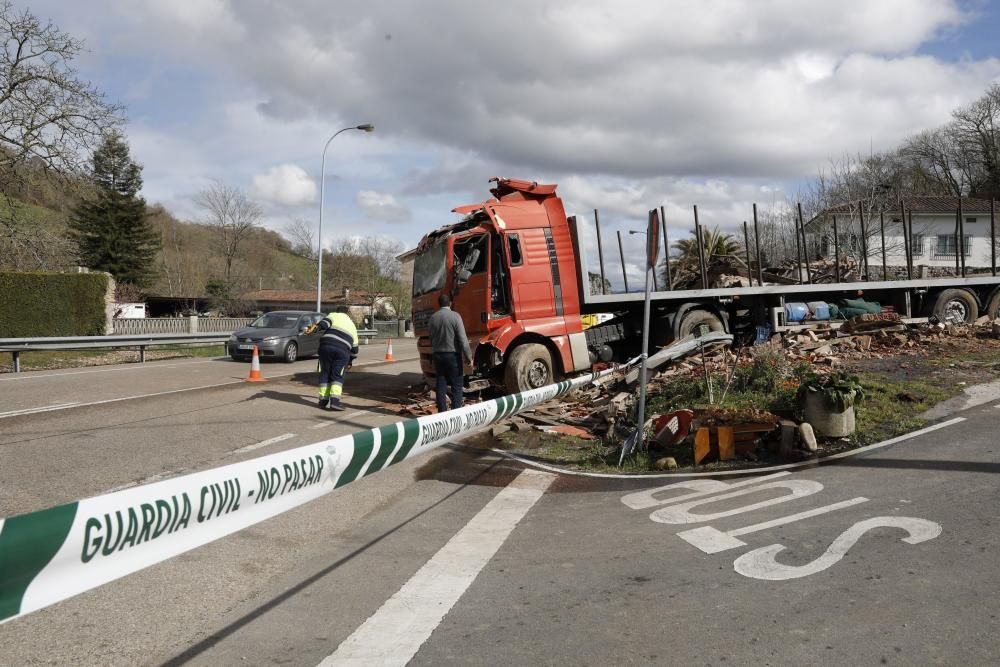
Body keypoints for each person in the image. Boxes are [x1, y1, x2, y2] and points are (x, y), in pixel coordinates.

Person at [428, 293, 472, 413]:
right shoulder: (455, 316)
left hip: (438, 356)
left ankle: (442, 413)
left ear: (439, 304)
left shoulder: (433, 318)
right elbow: (462, 339)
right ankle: (455, 414)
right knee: (456, 386)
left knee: (441, 385)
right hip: (453, 356)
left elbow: (431, 338)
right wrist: (468, 356)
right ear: (450, 303)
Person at [312, 306, 359, 411]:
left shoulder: (333, 315)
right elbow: (355, 349)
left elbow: (325, 323)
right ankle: (335, 402)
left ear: (337, 311)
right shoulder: (352, 325)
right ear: (347, 313)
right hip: (342, 351)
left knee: (325, 373)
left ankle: (323, 401)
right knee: (337, 376)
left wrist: (316, 328)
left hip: (326, 347)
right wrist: (350, 361)